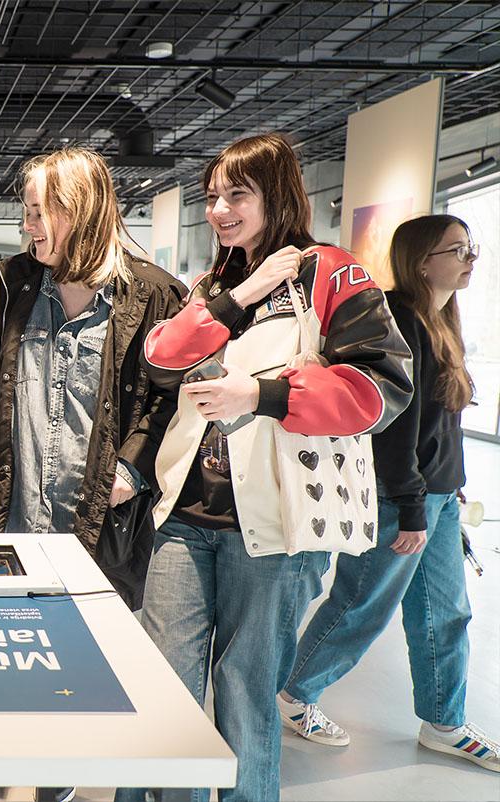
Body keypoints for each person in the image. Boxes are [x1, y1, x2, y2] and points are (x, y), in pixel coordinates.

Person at [118, 133, 412, 802]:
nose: (220, 209)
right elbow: (162, 359)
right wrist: (239, 292)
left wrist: (264, 395)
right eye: (213, 196)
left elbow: (382, 389)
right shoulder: (218, 282)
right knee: (166, 691)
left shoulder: (333, 273)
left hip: (275, 528)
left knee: (247, 697)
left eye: (236, 194)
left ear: (275, 194)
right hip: (182, 518)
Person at [0, 146, 186, 802]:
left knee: (77, 641)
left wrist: (135, 465)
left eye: (42, 212)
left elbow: (172, 398)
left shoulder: (155, 293)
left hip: (96, 512)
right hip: (11, 504)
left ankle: (60, 759)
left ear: (84, 211)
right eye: (26, 213)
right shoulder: (9, 283)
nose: (31, 227)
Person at [279, 215, 497, 771]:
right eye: (457, 249)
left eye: (471, 248)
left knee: (447, 613)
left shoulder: (442, 318)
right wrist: (410, 505)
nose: (470, 258)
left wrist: (448, 493)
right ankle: (293, 695)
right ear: (423, 259)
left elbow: (439, 425)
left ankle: (444, 721)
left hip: (439, 495)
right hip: (405, 494)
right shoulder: (399, 317)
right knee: (362, 604)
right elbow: (395, 428)